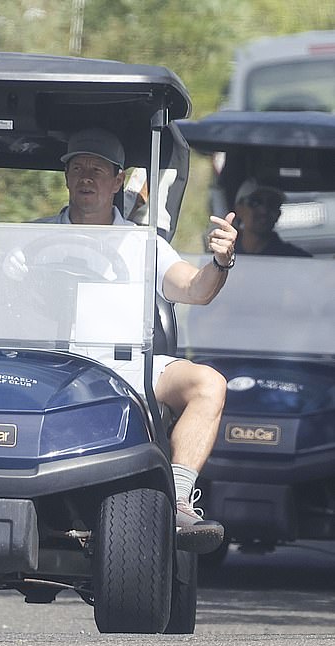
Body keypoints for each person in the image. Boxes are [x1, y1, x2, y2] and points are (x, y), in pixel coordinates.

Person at [41, 128, 238, 550]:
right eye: (77, 168)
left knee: (210, 384)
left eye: (97, 169)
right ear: (67, 178)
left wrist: (221, 260)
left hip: (127, 366)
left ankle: (179, 499)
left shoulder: (143, 243)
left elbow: (196, 289)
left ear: (117, 181)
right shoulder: (33, 238)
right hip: (49, 369)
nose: (86, 177)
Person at [233, 179, 311, 257]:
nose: (264, 211)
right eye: (255, 202)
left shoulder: (297, 259)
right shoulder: (224, 253)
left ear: (278, 214)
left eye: (272, 203)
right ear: (239, 210)